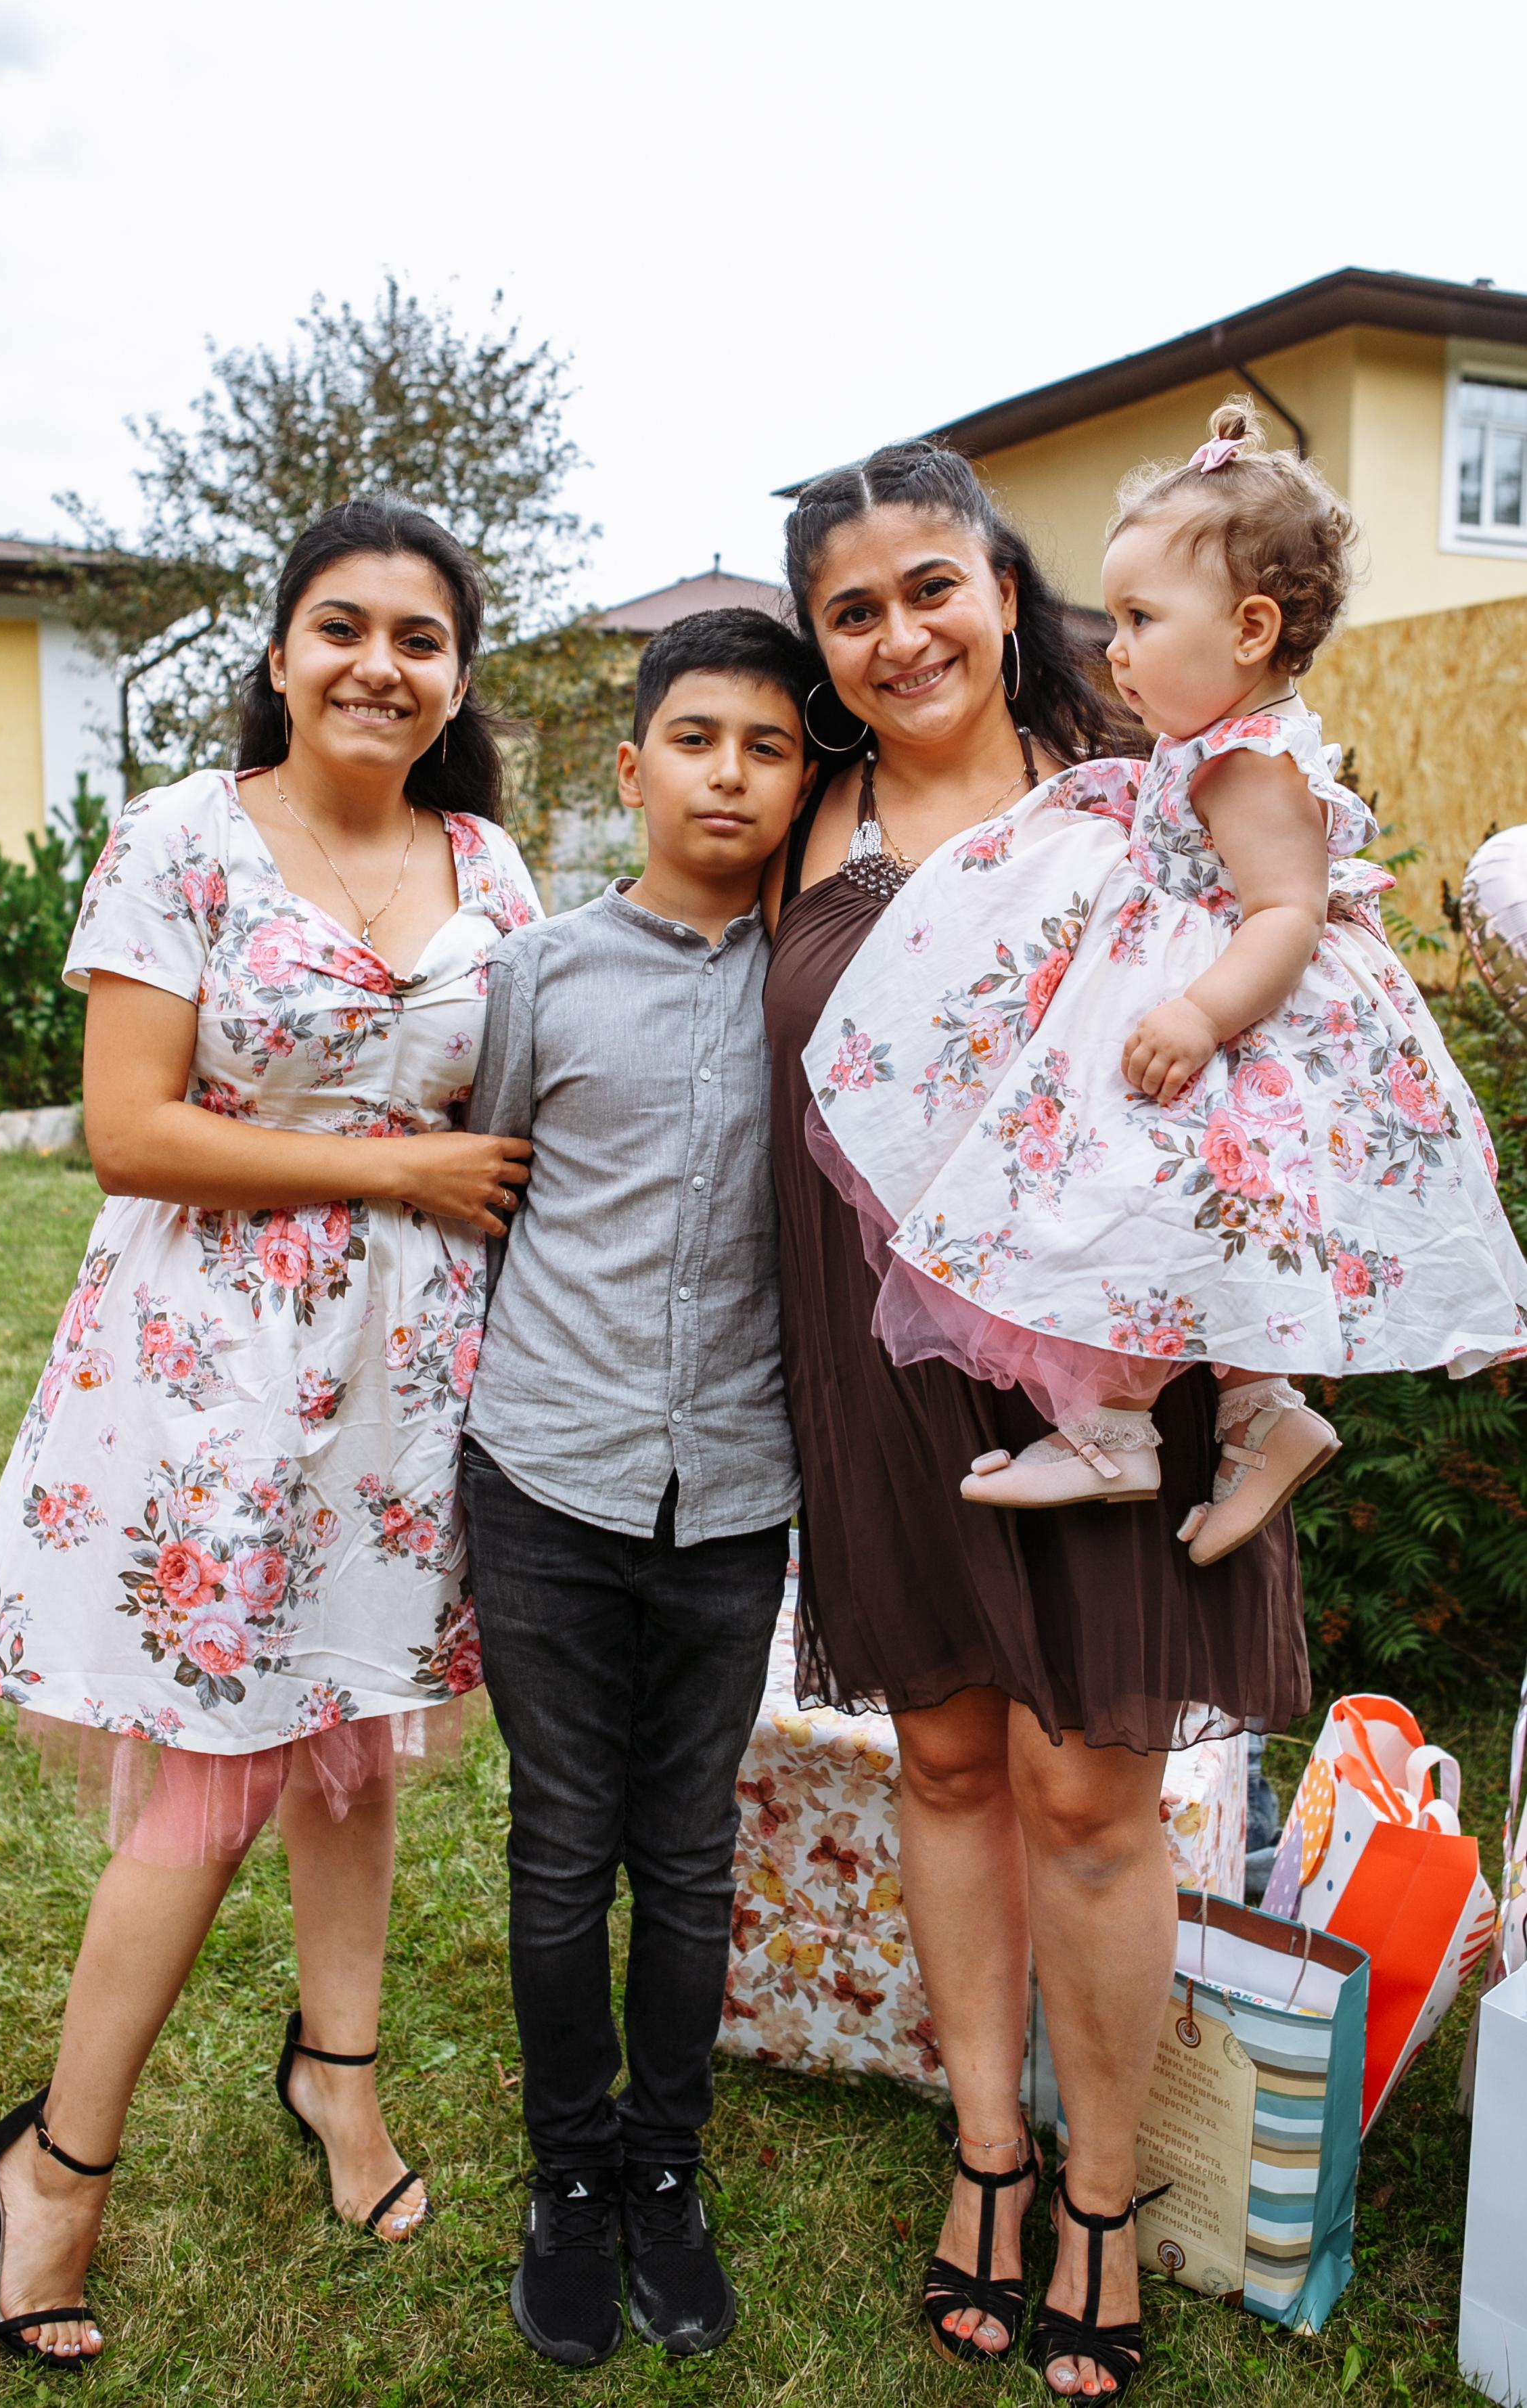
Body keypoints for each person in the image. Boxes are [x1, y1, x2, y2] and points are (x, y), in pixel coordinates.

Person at [0, 498, 541, 2371]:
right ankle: (61, 2160)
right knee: (211, 1775)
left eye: (422, 638)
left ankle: (338, 2080)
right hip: (212, 1373)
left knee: (355, 1737)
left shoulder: (492, 863)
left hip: (415, 1384)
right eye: (343, 627)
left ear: (458, 675)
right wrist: (396, 1166)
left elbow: (527, 1116)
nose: (382, 664)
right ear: (281, 652)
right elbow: (132, 1126)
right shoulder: (185, 838)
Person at [763, 439, 1308, 2399]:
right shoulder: (793, 819)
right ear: (822, 647)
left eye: (933, 585)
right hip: (877, 1359)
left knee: (1092, 1785)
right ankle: (981, 2142)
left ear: (1006, 586)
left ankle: (1096, 2188)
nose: (900, 632)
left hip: (1102, 1354)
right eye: (855, 608)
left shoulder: (1139, 779)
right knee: (944, 1763)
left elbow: (1287, 953)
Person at [808, 399, 1527, 1560]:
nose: (1117, 647)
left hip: (1235, 1020)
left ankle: (1123, 1429)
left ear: (1249, 630)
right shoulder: (1212, 746)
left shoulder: (1251, 764)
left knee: (1133, 1199)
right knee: (1174, 1219)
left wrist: (1197, 1010)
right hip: (1198, 997)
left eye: (1142, 618)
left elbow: (1287, 913)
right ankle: (1255, 1418)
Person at [460, 607, 817, 2368]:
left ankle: (663, 2174)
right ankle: (569, 2181)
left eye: (766, 742)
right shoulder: (538, 976)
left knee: (685, 1853)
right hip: (546, 1468)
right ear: (631, 767)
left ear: (801, 773)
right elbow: (500, 1192)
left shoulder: (820, 981)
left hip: (737, 1488)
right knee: (556, 1847)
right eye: (697, 738)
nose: (730, 771)